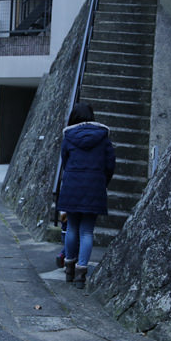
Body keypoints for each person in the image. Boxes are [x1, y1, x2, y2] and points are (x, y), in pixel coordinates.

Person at [57, 102, 115, 289]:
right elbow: (110, 164)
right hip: (94, 186)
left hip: (72, 185)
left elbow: (65, 162)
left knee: (72, 227)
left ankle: (69, 270)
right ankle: (82, 274)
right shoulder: (103, 138)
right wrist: (101, 182)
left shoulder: (68, 137)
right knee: (87, 231)